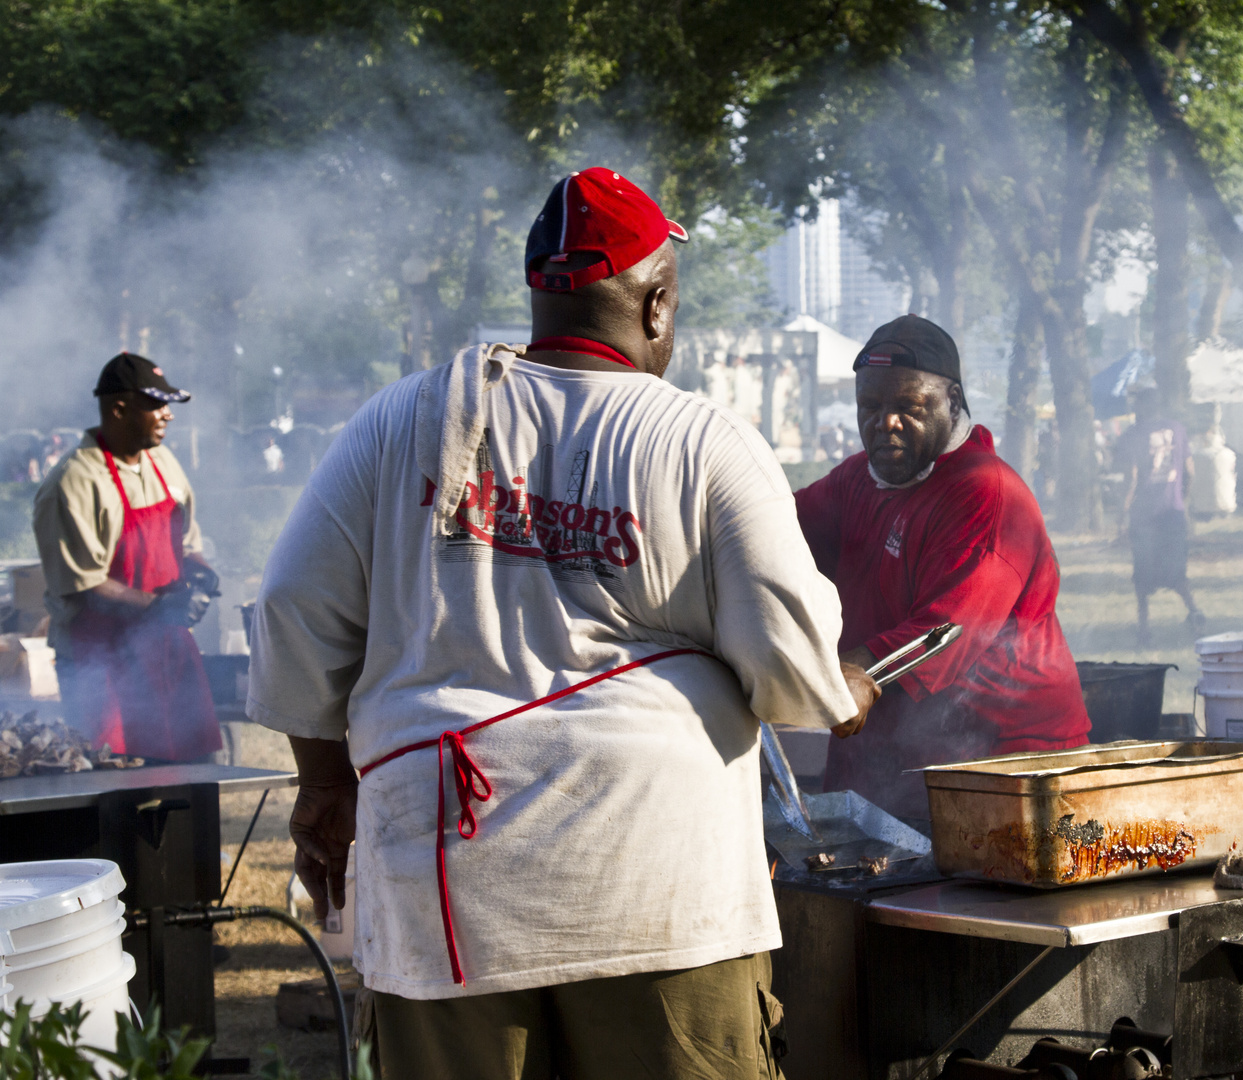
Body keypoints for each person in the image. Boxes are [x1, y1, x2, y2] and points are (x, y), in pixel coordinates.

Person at [247, 167, 877, 1080]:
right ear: (656, 305)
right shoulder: (702, 440)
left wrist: (323, 785)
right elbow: (794, 669)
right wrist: (844, 689)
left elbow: (292, 609)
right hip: (657, 891)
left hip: (445, 889)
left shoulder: (401, 419)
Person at [794, 315, 1089, 822]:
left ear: (952, 402)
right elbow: (776, 535)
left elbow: (949, 631)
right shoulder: (859, 480)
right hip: (900, 746)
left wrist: (857, 670)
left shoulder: (987, 495)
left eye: (909, 407)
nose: (885, 423)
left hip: (1006, 765)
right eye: (871, 406)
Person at [33, 353, 221, 761]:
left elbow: (186, 543)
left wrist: (203, 576)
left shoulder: (163, 463)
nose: (168, 415)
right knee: (115, 793)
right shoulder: (74, 481)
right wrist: (162, 607)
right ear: (119, 409)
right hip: (99, 666)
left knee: (188, 785)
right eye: (156, 405)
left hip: (167, 653)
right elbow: (86, 587)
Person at [1117, 386, 1204, 647]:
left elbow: (1132, 478)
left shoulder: (1134, 434)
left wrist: (1122, 513)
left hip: (1145, 516)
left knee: (1142, 575)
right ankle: (1195, 611)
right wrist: (1182, 501)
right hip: (1173, 513)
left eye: (1137, 404)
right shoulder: (1177, 429)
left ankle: (1144, 629)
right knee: (1176, 570)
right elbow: (1190, 470)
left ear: (1143, 406)